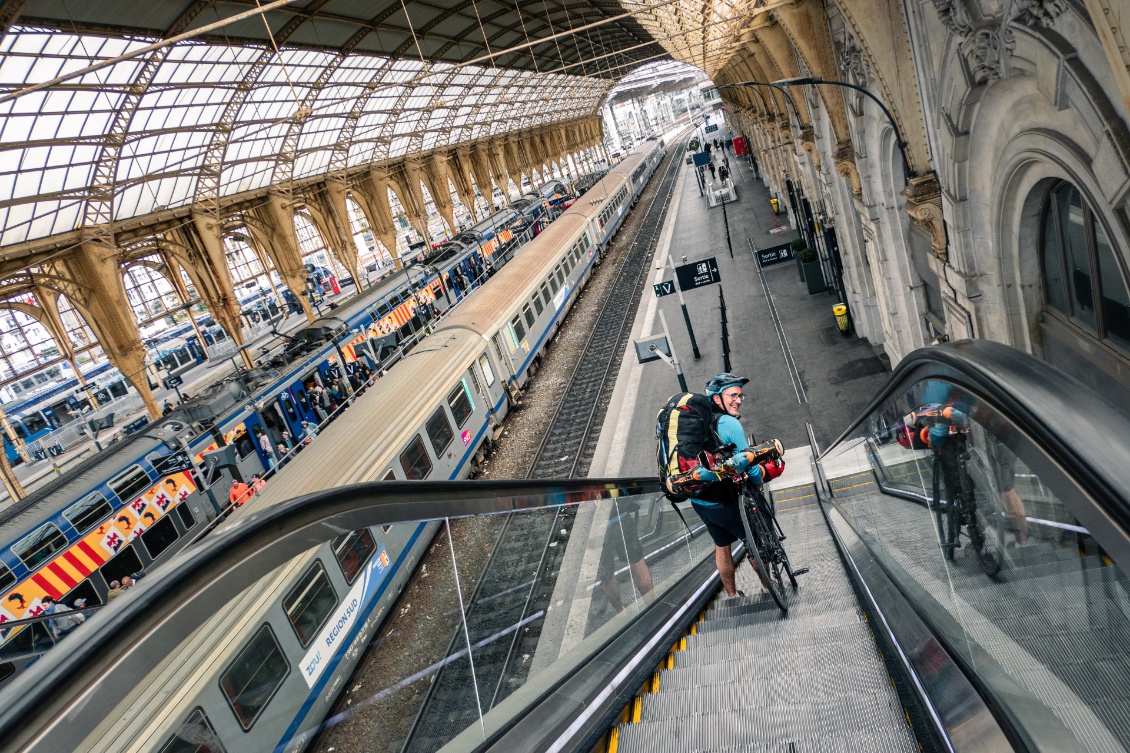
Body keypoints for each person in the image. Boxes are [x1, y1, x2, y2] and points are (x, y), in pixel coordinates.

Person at [688, 374, 786, 598]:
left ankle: (732, 596)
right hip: (728, 498)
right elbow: (748, 465)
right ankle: (767, 586)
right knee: (754, 541)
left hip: (701, 500)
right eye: (732, 395)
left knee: (722, 545)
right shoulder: (728, 423)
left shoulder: (695, 423)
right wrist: (760, 478)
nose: (739, 400)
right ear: (716, 399)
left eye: (740, 395)